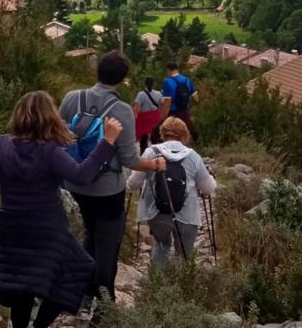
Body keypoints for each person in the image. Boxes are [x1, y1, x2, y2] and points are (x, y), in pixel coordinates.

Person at [0, 91, 123, 328]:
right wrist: (107, 141)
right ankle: (41, 325)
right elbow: (82, 175)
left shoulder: (0, 145)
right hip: (48, 228)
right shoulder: (51, 152)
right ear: (50, 118)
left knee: (21, 282)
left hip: (11, 226)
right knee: (77, 272)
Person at [59, 51, 166, 303]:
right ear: (122, 79)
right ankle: (104, 304)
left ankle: (83, 294)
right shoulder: (121, 110)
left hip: (74, 182)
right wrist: (153, 164)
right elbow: (130, 159)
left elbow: (59, 136)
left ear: (98, 71)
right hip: (107, 190)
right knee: (107, 246)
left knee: (88, 234)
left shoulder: (71, 98)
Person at [127, 117, 216, 266]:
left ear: (163, 133)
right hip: (187, 214)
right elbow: (208, 188)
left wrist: (128, 184)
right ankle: (181, 285)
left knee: (162, 245)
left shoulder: (150, 153)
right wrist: (213, 179)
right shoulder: (193, 156)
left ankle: (157, 284)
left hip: (157, 212)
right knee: (184, 255)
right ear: (184, 135)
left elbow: (134, 183)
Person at [162, 62, 199, 141]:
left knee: (173, 137)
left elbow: (167, 102)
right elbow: (196, 98)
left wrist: (163, 118)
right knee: (186, 134)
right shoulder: (187, 80)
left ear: (168, 70)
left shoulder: (167, 81)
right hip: (185, 112)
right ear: (177, 69)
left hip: (173, 114)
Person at [133, 77, 166, 154]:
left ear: (145, 84)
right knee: (156, 137)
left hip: (144, 119)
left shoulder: (140, 94)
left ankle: (143, 153)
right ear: (153, 84)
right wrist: (162, 116)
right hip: (155, 118)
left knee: (144, 138)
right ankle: (156, 153)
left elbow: (137, 108)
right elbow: (163, 105)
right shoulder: (159, 94)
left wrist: (134, 117)